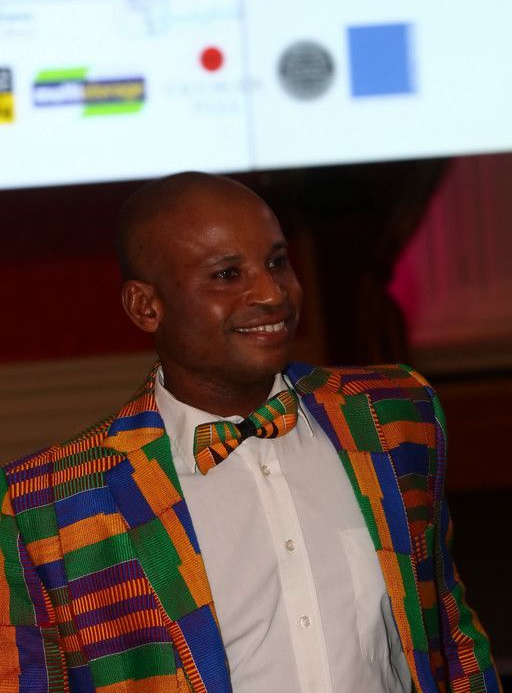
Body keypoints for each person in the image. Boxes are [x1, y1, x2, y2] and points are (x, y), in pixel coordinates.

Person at [0, 172, 501, 693]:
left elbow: (449, 637)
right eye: (227, 274)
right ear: (146, 306)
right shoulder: (48, 508)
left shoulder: (393, 417)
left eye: (277, 262)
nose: (272, 293)